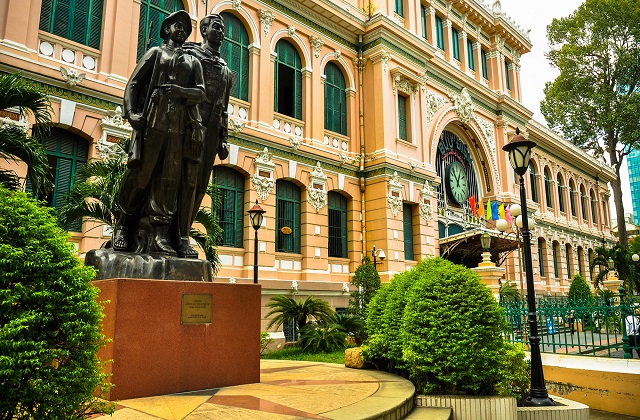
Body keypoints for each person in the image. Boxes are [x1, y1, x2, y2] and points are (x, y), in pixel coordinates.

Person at [113, 10, 206, 257]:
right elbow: (134, 83)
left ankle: (160, 235)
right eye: (178, 25)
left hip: (177, 129)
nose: (183, 30)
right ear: (166, 30)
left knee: (168, 181)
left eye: (186, 27)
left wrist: (179, 91)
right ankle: (123, 225)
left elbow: (201, 93)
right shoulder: (156, 53)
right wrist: (131, 113)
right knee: (141, 175)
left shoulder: (192, 62)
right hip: (152, 123)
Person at [179, 14, 232, 252]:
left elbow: (223, 106)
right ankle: (177, 236)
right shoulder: (190, 55)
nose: (221, 32)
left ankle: (184, 231)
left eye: (222, 29)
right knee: (185, 179)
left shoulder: (225, 70)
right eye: (216, 27)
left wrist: (223, 138)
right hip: (189, 124)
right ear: (204, 30)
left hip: (211, 131)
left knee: (200, 185)